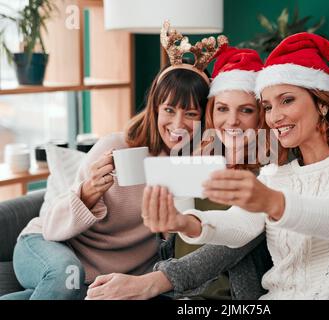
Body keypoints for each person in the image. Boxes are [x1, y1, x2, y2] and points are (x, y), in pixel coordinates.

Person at [142, 33, 329, 300]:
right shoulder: (276, 174)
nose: (275, 116)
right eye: (267, 106)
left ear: (322, 104)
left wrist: (270, 201)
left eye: (287, 100)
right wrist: (184, 222)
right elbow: (238, 225)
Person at [0, 22, 218, 300]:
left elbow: (180, 250)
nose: (178, 123)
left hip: (95, 280)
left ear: (205, 119)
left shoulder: (196, 167)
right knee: (66, 275)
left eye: (191, 114)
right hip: (48, 246)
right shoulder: (117, 145)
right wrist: (88, 193)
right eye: (169, 110)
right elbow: (52, 225)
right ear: (154, 109)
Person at [85, 46, 277, 300]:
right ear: (211, 112)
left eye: (246, 110)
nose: (231, 121)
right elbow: (171, 240)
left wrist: (151, 282)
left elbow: (233, 241)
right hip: (179, 293)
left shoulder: (269, 168)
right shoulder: (196, 156)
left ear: (260, 115)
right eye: (222, 108)